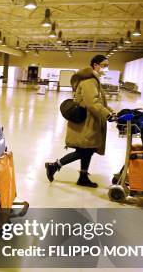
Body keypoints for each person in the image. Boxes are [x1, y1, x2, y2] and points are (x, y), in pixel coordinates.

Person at [45, 55, 116, 188]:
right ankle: (54, 166)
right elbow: (92, 103)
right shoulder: (89, 81)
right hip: (86, 123)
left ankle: (83, 176)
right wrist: (108, 115)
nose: (106, 68)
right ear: (95, 65)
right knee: (84, 151)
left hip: (90, 121)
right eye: (105, 65)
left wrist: (112, 112)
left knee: (88, 149)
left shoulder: (94, 80)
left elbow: (100, 102)